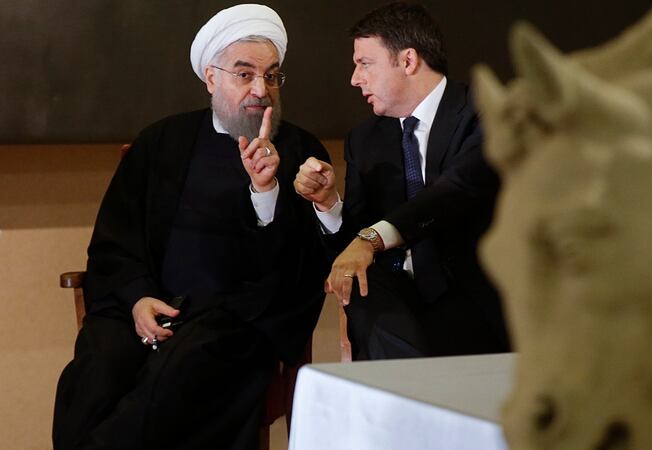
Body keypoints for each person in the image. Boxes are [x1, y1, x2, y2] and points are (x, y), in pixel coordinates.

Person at [52, 4, 330, 449]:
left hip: (236, 319)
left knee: (177, 375)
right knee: (97, 371)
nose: (261, 90)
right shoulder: (160, 143)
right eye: (245, 74)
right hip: (147, 305)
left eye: (272, 76)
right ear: (211, 78)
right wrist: (137, 298)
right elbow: (114, 243)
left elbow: (300, 264)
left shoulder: (300, 151)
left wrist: (266, 191)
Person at [294, 2, 509, 360]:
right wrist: (328, 202)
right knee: (364, 285)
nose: (354, 79)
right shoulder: (364, 139)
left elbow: (454, 191)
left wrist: (372, 238)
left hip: (473, 292)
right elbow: (354, 246)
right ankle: (408, 385)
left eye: (364, 63)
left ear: (408, 61)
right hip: (395, 301)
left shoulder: (485, 112)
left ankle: (408, 385)